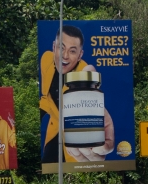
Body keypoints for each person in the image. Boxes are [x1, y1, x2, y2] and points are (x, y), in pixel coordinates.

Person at [39, 25, 114, 164]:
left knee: (74, 164)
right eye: (61, 48)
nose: (65, 55)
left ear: (80, 55)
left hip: (73, 137)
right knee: (47, 164)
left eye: (72, 51)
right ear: (54, 47)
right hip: (53, 132)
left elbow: (89, 72)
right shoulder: (45, 60)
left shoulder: (82, 72)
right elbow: (45, 98)